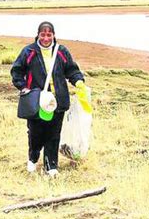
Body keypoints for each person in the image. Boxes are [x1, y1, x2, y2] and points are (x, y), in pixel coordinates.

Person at [10, 21, 90, 178]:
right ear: (38, 35)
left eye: (49, 35)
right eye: (43, 35)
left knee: (53, 134)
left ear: (53, 35)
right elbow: (16, 72)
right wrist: (24, 88)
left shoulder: (61, 51)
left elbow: (72, 70)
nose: (46, 38)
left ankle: (51, 165)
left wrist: (78, 81)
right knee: (36, 133)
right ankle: (33, 158)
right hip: (37, 101)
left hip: (57, 101)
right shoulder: (29, 51)